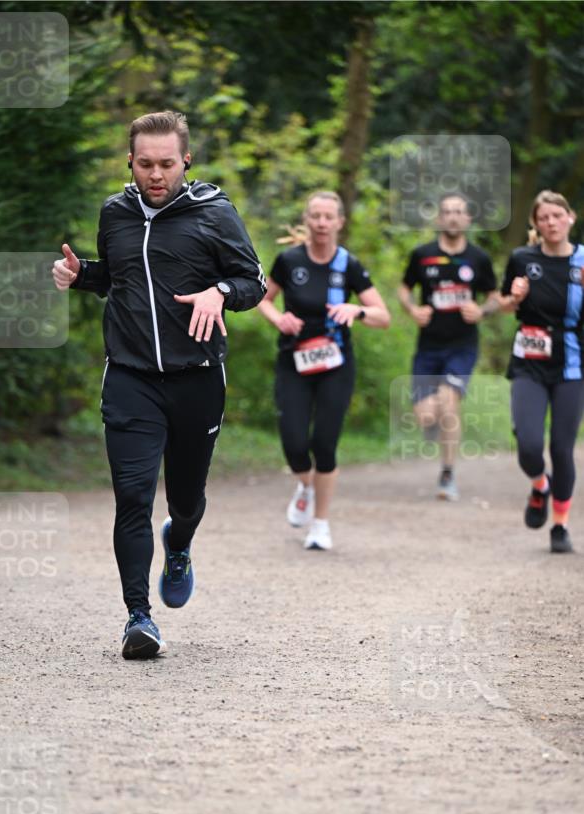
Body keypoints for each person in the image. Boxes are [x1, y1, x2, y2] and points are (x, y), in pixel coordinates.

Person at [52, 110, 265, 658]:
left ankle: (181, 542)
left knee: (187, 499)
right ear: (130, 162)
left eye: (166, 164)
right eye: (145, 163)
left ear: (185, 162)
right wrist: (84, 276)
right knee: (132, 496)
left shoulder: (213, 212)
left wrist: (221, 290)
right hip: (130, 377)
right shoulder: (115, 213)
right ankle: (138, 619)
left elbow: (254, 282)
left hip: (196, 380)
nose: (155, 174)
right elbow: (121, 278)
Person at [257, 191, 390, 550]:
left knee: (325, 444)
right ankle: (305, 485)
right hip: (294, 361)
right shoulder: (289, 260)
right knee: (295, 442)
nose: (321, 223)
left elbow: (384, 316)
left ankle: (320, 524)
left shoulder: (349, 265)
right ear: (306, 220)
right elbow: (263, 299)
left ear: (339, 222)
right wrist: (279, 318)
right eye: (315, 216)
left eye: (328, 217)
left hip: (335, 364)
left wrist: (356, 311)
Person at [498, 190, 583, 553]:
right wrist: (514, 297)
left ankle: (560, 525)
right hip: (529, 363)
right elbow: (501, 304)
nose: (550, 222)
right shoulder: (522, 258)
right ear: (535, 224)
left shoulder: (582, 262)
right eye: (543, 217)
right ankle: (539, 486)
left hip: (572, 364)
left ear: (570, 218)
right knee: (530, 444)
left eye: (556, 216)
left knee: (562, 449)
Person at [398, 194, 499, 501]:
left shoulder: (479, 258)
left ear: (468, 219)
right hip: (428, 346)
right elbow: (404, 289)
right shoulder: (423, 255)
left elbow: (495, 296)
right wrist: (413, 310)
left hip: (462, 346)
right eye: (447, 212)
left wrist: (482, 311)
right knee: (426, 416)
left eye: (459, 212)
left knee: (448, 402)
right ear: (439, 219)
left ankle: (447, 473)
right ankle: (433, 425)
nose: (453, 217)